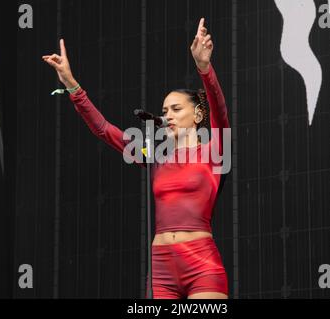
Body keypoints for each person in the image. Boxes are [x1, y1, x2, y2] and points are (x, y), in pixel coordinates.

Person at [43, 18, 230, 299]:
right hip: (161, 267)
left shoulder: (215, 150)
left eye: (176, 109)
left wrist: (204, 68)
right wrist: (72, 85)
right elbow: (105, 130)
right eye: (164, 110)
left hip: (201, 263)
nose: (168, 115)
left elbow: (219, 109)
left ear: (198, 115)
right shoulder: (155, 156)